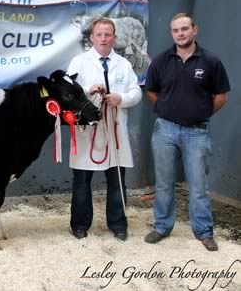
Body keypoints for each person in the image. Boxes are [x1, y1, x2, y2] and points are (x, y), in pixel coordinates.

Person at [144, 13, 230, 251]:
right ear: (172, 33)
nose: (180, 34)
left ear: (194, 30)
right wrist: (167, 109)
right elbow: (151, 91)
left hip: (197, 133)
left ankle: (204, 231)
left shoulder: (211, 61)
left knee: (198, 185)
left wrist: (200, 113)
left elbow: (221, 96)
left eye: (184, 29)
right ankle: (162, 226)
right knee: (163, 183)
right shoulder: (161, 61)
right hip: (165, 131)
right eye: (175, 30)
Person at [66, 17, 142, 241]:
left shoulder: (124, 64)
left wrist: (121, 98)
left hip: (115, 132)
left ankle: (118, 224)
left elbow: (136, 92)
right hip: (87, 132)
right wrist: (89, 91)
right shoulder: (79, 62)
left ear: (114, 38)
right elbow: (69, 93)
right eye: (99, 34)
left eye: (108, 34)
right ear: (91, 37)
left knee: (117, 180)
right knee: (82, 181)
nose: (103, 38)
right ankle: (79, 224)